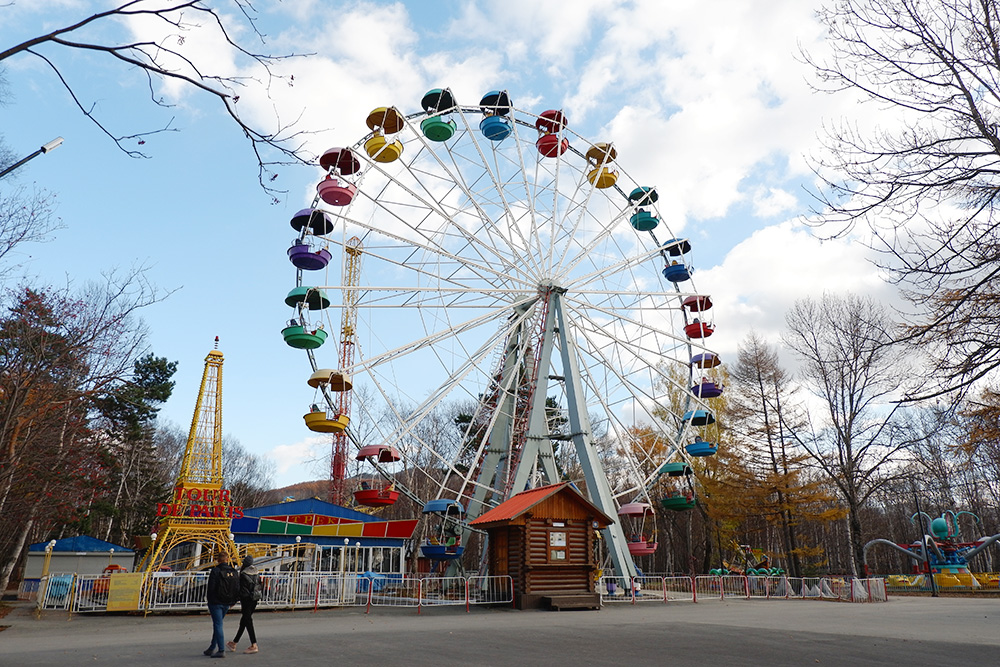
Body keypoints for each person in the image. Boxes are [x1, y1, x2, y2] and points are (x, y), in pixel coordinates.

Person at [205, 551, 238, 659]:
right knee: (218, 624)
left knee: (218, 625)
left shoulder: (215, 571)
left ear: (218, 560)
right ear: (227, 559)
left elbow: (211, 588)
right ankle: (212, 647)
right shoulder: (233, 571)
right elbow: (237, 587)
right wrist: (233, 601)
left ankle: (221, 649)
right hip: (227, 602)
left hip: (216, 602)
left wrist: (210, 600)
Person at [227, 555, 261, 655]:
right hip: (255, 599)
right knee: (245, 620)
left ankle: (254, 644)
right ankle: (234, 642)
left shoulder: (243, 574)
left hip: (246, 599)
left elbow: (240, 590)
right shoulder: (257, 572)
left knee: (248, 620)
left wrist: (233, 601)